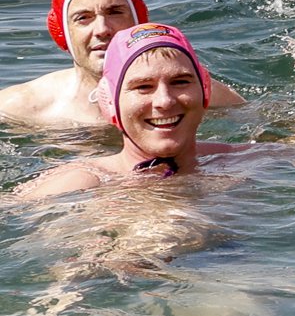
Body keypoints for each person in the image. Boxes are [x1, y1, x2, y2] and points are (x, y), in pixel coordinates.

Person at [2, 0, 246, 130]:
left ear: (138, 20)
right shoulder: (20, 107)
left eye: (115, 12)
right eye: (83, 18)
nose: (102, 29)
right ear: (62, 32)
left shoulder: (197, 95)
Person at [16, 24, 244, 200]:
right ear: (109, 101)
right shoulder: (79, 184)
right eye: (143, 87)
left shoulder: (247, 161)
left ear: (205, 89)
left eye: (180, 82)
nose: (164, 101)